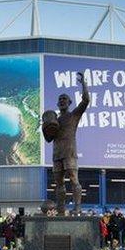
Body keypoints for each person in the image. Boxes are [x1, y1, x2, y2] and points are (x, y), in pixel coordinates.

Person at [50, 72, 89, 215]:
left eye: (64, 99)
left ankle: (77, 207)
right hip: (56, 154)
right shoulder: (54, 121)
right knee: (59, 183)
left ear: (69, 102)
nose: (62, 101)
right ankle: (61, 209)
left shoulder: (74, 115)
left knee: (74, 180)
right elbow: (48, 137)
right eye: (60, 99)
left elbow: (85, 101)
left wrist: (83, 83)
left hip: (70, 153)